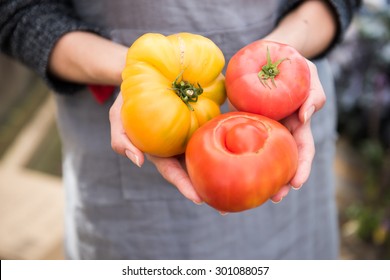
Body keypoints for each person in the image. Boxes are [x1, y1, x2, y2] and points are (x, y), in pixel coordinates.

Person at [0, 0, 361, 259]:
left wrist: (285, 55)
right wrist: (137, 74)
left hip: (290, 111)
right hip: (123, 163)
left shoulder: (279, 72)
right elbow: (15, 11)